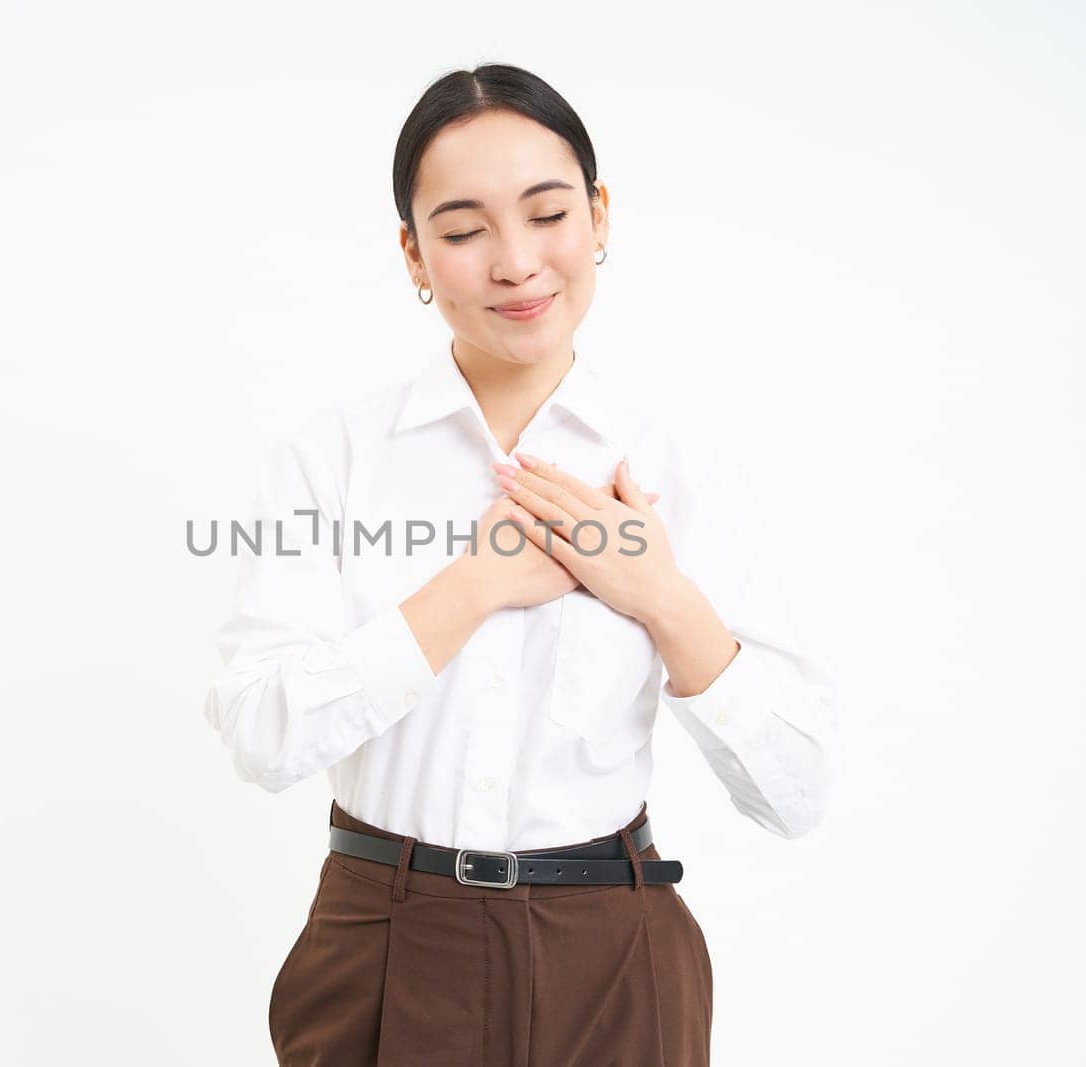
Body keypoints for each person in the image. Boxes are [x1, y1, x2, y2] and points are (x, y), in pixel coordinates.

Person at [202, 62, 838, 1067]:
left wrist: (662, 600)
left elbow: (794, 791)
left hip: (612, 953)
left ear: (598, 217)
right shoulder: (332, 461)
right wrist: (473, 584)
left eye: (547, 214)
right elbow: (262, 731)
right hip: (383, 940)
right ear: (413, 254)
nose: (515, 262)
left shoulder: (679, 469)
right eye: (462, 232)